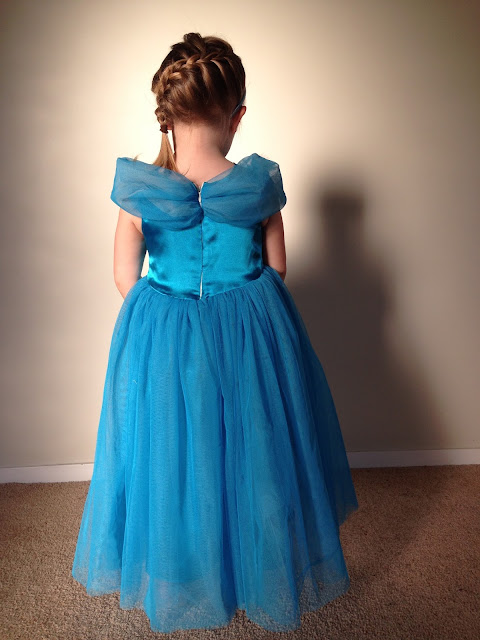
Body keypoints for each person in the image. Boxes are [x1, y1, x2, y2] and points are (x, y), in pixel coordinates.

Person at [71, 32, 359, 634]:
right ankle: (255, 567)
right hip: (250, 338)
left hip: (168, 339)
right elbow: (277, 268)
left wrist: (172, 315)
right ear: (237, 116)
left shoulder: (141, 192)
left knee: (176, 452)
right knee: (254, 449)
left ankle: (189, 570)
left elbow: (125, 277)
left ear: (166, 115)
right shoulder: (259, 188)